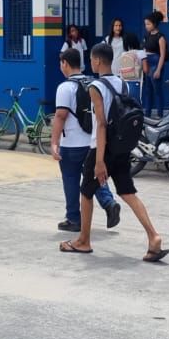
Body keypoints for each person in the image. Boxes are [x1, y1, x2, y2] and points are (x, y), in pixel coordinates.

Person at [60, 42, 169, 262]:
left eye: (92, 59)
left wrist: (99, 161)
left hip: (101, 148)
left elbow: (101, 124)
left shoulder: (95, 87)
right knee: (127, 192)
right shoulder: (122, 83)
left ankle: (83, 241)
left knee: (86, 192)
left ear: (98, 60)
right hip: (121, 147)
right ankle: (153, 237)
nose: (90, 63)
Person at [50, 48, 122, 233]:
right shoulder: (93, 83)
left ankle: (74, 218)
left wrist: (54, 142)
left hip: (71, 144)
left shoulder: (65, 87)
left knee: (71, 179)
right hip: (91, 142)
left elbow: (60, 115)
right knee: (93, 177)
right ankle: (109, 203)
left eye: (61, 63)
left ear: (65, 63)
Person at [142, 11, 169, 118]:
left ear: (154, 24)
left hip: (155, 62)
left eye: (148, 24)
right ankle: (147, 114)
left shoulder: (160, 37)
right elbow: (144, 50)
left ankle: (159, 114)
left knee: (157, 90)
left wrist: (158, 69)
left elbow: (162, 55)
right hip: (147, 62)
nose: (146, 26)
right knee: (148, 90)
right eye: (145, 24)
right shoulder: (147, 35)